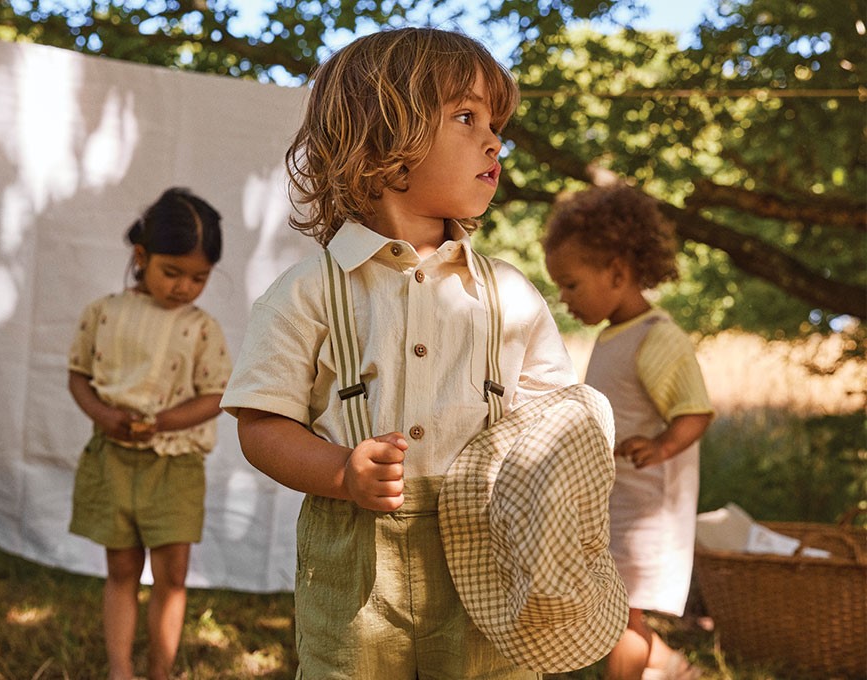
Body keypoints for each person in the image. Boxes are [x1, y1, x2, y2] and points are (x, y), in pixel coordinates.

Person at [221, 27, 581, 678]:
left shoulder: (510, 296)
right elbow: (261, 424)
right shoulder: (307, 293)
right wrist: (340, 473)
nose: (494, 139)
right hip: (358, 566)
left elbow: (556, 426)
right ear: (385, 145)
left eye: (495, 122)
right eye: (466, 117)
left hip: (487, 553)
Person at [542, 184, 714, 680]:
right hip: (615, 506)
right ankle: (676, 669)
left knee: (619, 616)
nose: (563, 298)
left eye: (571, 285)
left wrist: (662, 446)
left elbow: (695, 412)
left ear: (616, 273)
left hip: (646, 510)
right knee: (614, 609)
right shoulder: (613, 335)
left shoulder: (657, 338)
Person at [67, 187, 231, 680]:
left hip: (175, 466)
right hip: (112, 459)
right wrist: (102, 413)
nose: (184, 287)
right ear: (142, 257)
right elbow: (78, 375)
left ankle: (160, 670)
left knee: (172, 575)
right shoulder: (103, 313)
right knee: (120, 570)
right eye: (172, 272)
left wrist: (161, 423)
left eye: (199, 278)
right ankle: (121, 669)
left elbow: (214, 395)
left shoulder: (201, 329)